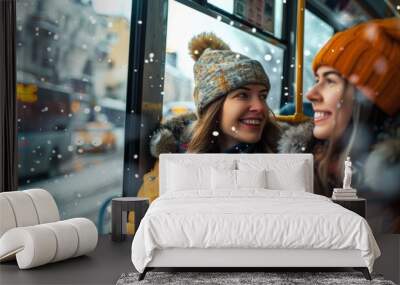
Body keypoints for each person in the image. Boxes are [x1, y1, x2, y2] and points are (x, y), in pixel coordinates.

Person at [278, 18, 400, 232]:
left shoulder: (390, 195)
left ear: (366, 101)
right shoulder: (302, 166)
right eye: (317, 79)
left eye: (331, 81)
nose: (311, 94)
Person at [138, 32, 281, 201]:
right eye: (243, 95)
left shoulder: (282, 159)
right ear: (213, 107)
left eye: (263, 96)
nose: (260, 107)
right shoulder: (173, 162)